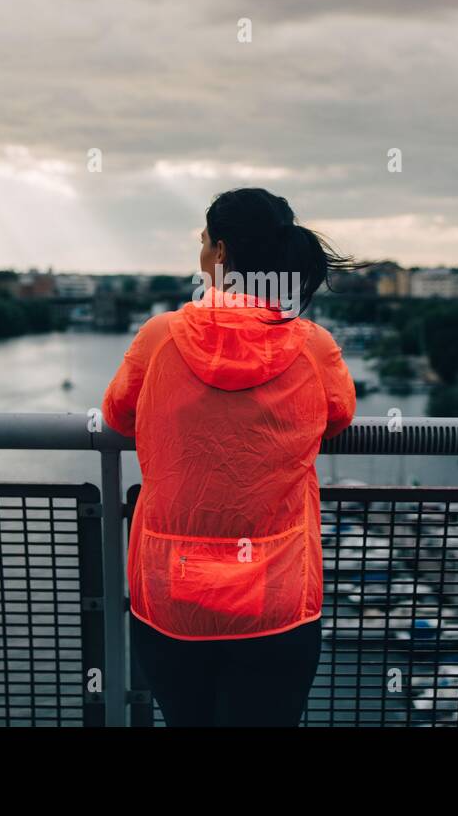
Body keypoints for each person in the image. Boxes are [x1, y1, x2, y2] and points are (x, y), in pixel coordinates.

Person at [102, 187, 359, 726]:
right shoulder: (313, 346)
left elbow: (118, 417)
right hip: (277, 596)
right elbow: (337, 419)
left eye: (202, 243)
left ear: (219, 253)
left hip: (173, 594)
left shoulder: (159, 336)